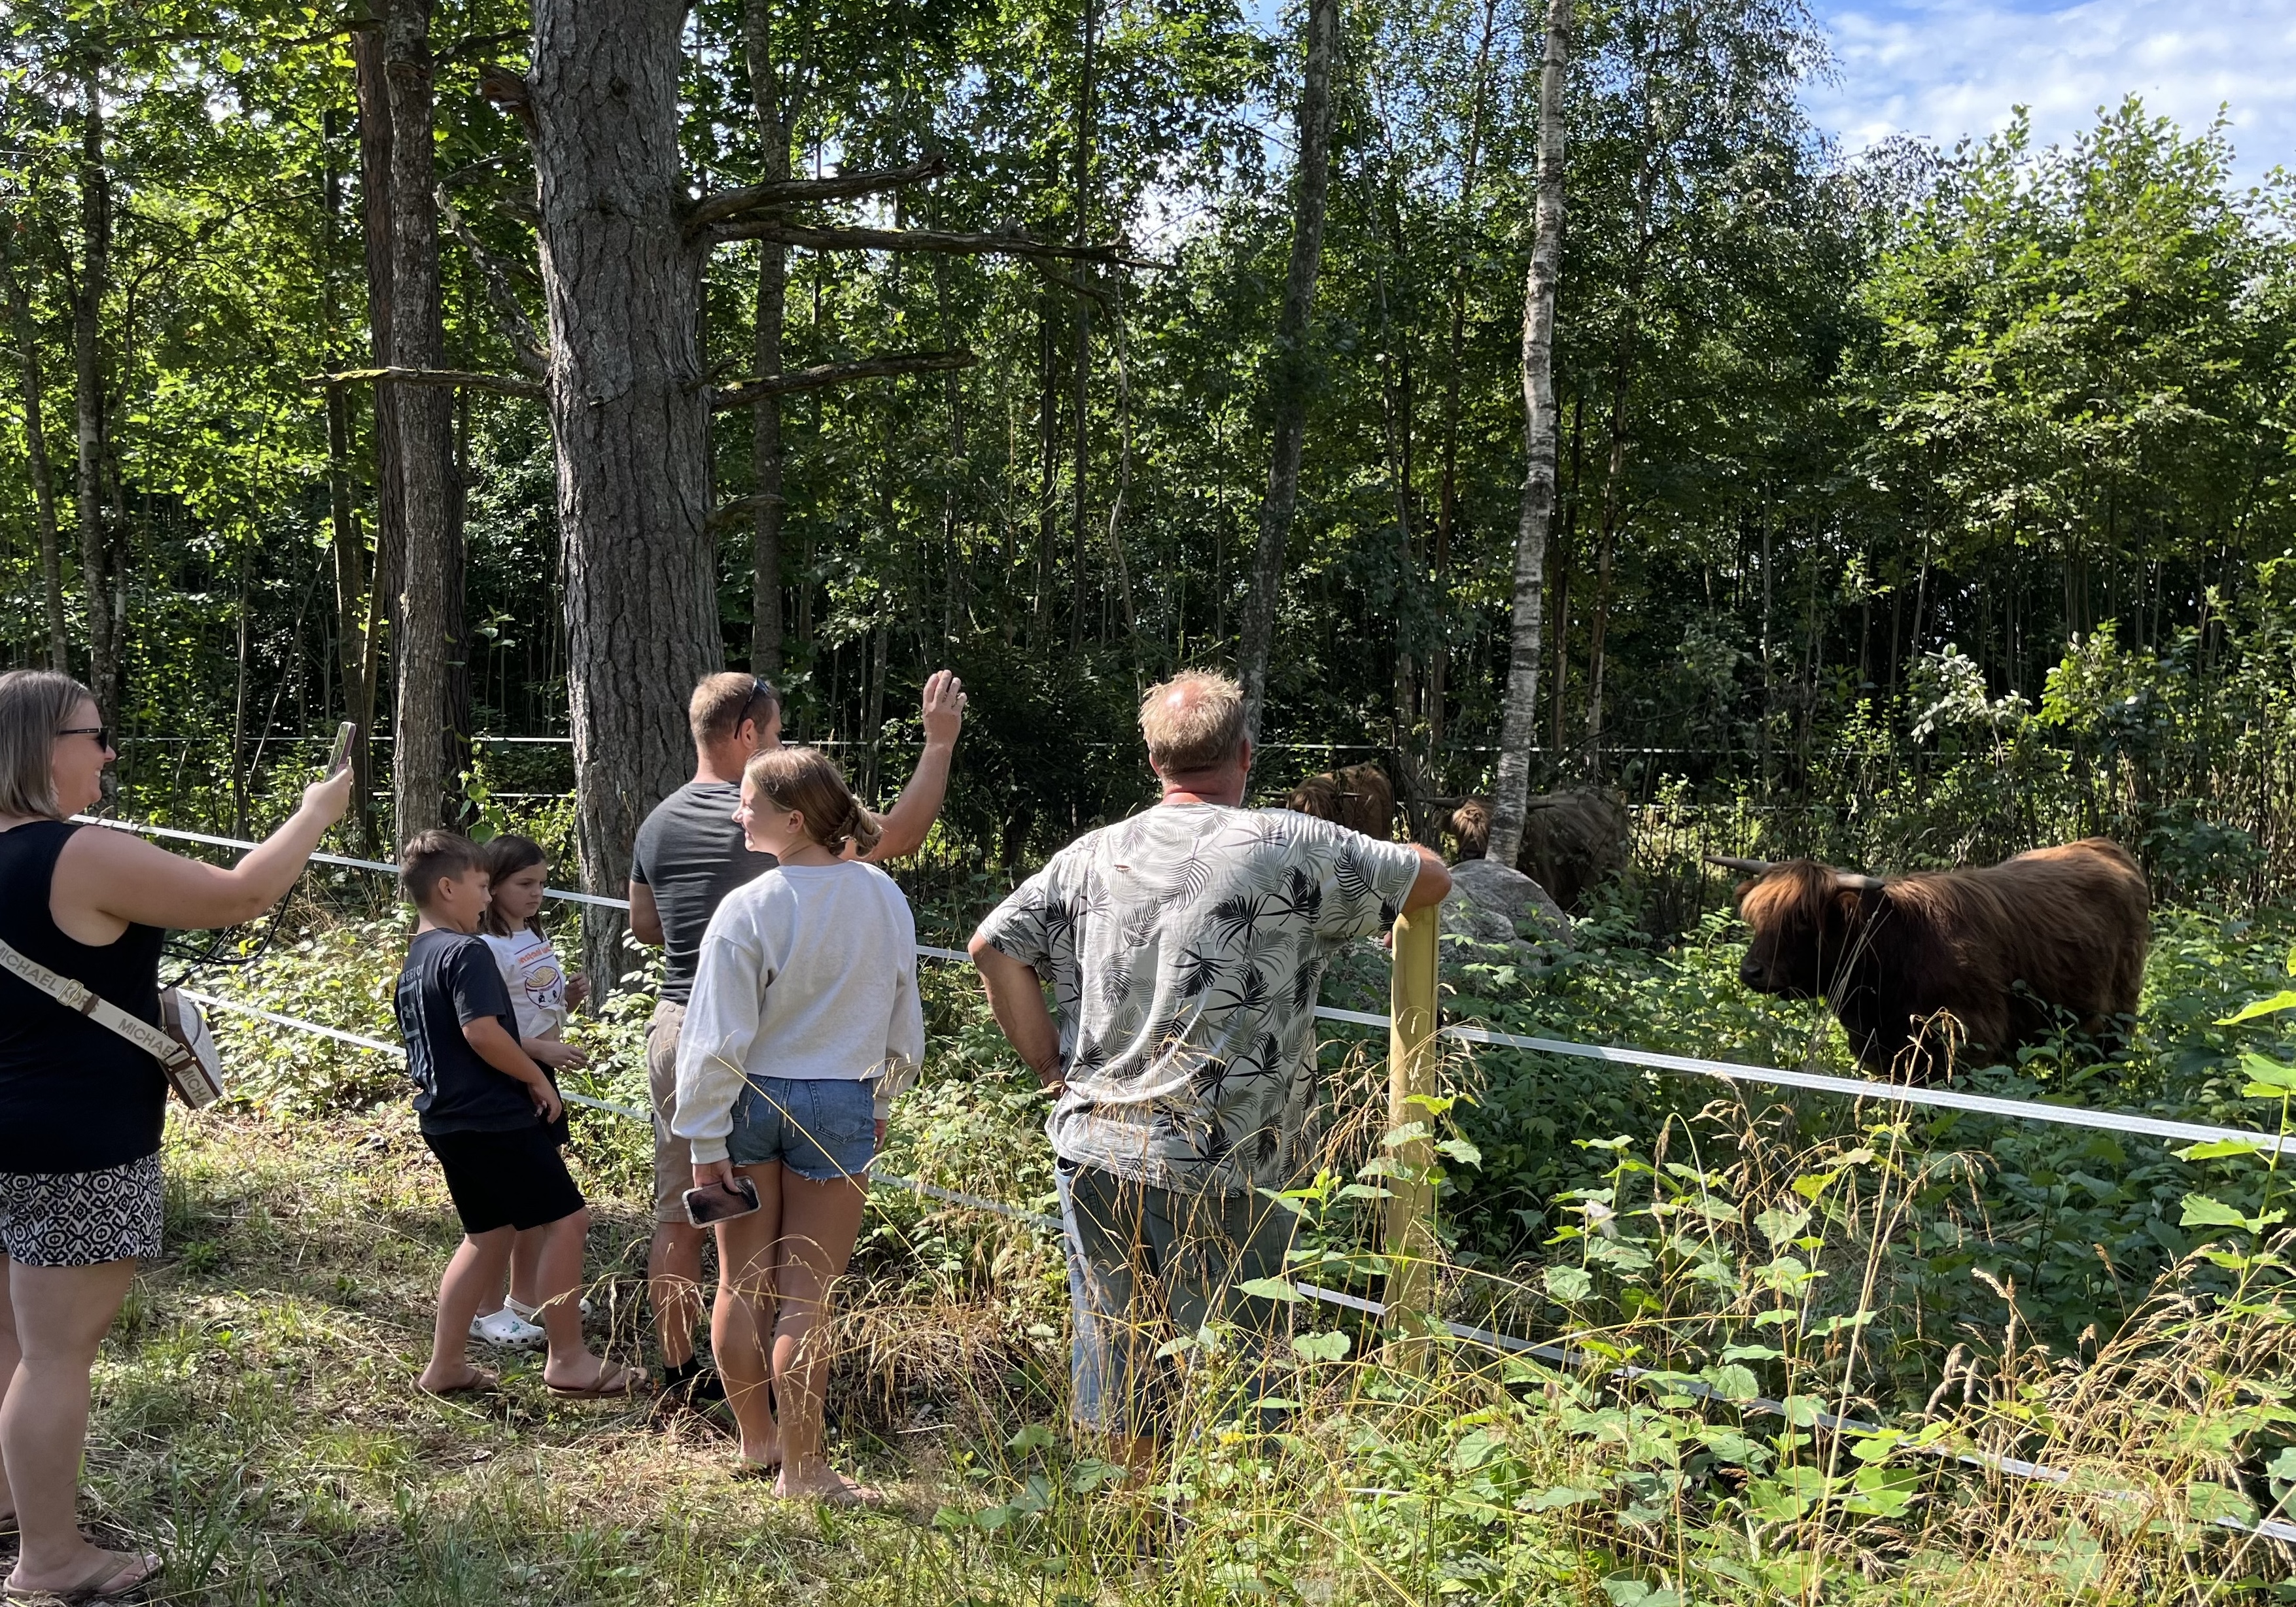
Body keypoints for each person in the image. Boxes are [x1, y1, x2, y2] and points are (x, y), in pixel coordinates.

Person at [967, 671, 1450, 1478]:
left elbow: (991, 947)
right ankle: (1226, 1528)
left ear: (1153, 760)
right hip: (1226, 1158)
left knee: (1117, 1352)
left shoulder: (1092, 853)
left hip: (1095, 1144)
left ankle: (1125, 1521)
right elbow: (1428, 878)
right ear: (1246, 755)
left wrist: (1052, 1065)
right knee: (1241, 1369)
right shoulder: (1287, 843)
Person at [0, 669, 353, 1602]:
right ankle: (50, 1560)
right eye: (95, 734)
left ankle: (11, 1504)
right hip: (79, 1138)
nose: (109, 752)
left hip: (9, 1127)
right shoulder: (77, 853)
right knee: (56, 1354)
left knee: (9, 1335)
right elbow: (243, 893)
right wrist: (315, 812)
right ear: (41, 747)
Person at [629, 670, 964, 1402]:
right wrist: (938, 744)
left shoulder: (660, 823)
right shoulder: (790, 819)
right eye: (775, 732)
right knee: (804, 1282)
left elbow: (645, 926)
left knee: (694, 1226)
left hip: (694, 1035)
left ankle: (685, 1378)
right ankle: (798, 1435)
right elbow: (895, 841)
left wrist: (707, 1134)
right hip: (812, 1066)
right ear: (748, 733)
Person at [674, 747, 924, 1502]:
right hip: (840, 1099)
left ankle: (758, 1441)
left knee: (740, 1282)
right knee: (806, 1294)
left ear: (793, 819)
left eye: (748, 803)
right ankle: (805, 1469)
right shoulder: (881, 895)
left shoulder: (748, 907)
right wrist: (881, 1102)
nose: (736, 813)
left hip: (750, 1099)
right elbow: (902, 1014)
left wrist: (705, 1140)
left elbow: (714, 1037)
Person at [393, 829, 642, 1400]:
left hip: (445, 1118)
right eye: (482, 887)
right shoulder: (468, 952)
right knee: (568, 1221)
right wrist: (534, 1076)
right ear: (448, 887)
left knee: (487, 1234)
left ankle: (445, 1365)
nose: (487, 898)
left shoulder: (417, 958)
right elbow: (482, 1032)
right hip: (492, 1115)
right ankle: (569, 1359)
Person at [468, 833, 591, 1350]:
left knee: (535, 1202)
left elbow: (535, 1002)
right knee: (503, 1203)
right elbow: (486, 1027)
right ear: (493, 885)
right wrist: (540, 1051)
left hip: (542, 1072)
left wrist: (568, 999)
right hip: (509, 1075)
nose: (537, 892)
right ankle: (484, 1310)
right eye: (525, 883)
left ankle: (524, 1296)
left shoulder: (530, 933)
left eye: (542, 882)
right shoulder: (485, 948)